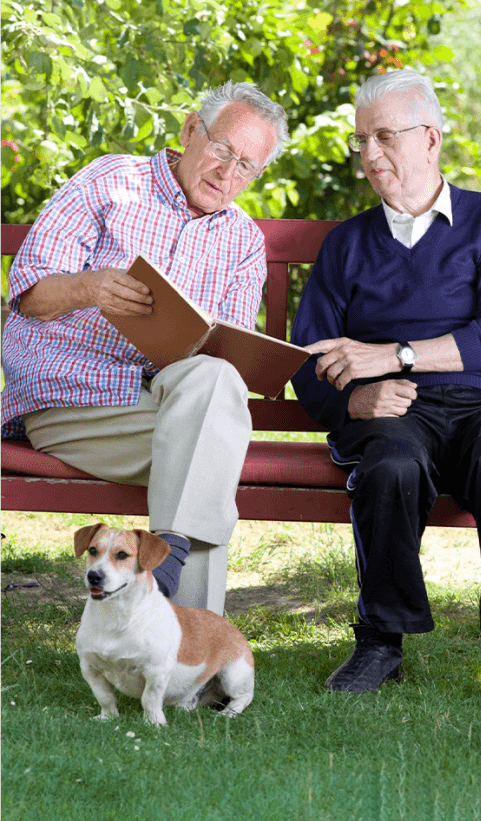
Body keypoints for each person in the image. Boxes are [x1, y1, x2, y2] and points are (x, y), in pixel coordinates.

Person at [290, 69, 481, 709]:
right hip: (395, 411)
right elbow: (307, 360)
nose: (370, 153)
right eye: (362, 140)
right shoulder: (347, 244)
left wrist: (396, 355)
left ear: (431, 138)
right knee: (390, 464)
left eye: (385, 136)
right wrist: (354, 400)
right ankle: (380, 641)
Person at [2, 81, 288, 613]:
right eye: (223, 149)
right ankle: (191, 634)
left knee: (212, 397)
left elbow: (224, 363)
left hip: (165, 410)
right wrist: (89, 287)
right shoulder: (110, 181)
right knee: (209, 453)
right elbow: (30, 295)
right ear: (191, 130)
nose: (228, 173)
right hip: (73, 402)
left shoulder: (243, 242)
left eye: (247, 166)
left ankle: (169, 567)